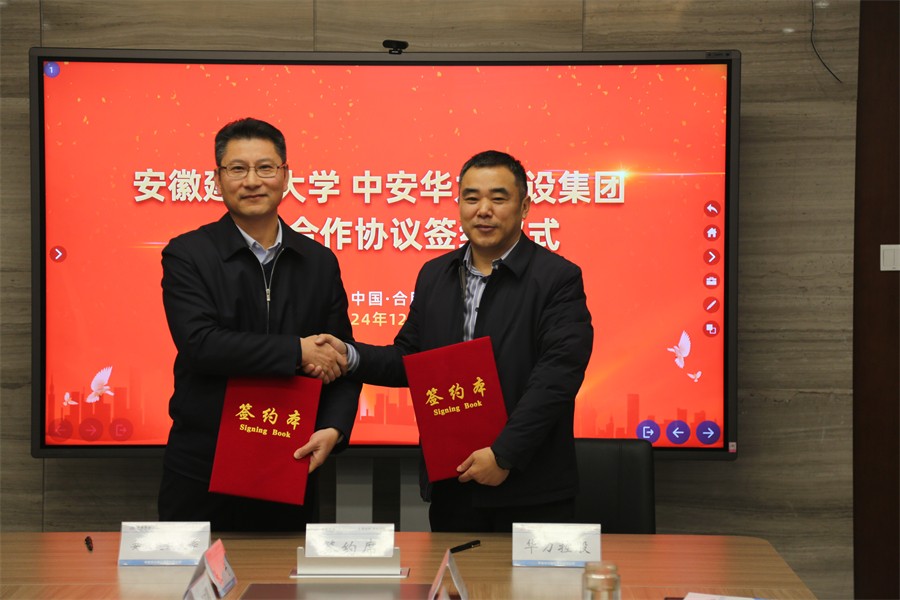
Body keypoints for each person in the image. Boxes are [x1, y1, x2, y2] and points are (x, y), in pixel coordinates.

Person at [314, 150, 593, 532]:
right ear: (459, 204)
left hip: (530, 487)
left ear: (525, 206)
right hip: (454, 482)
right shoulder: (435, 275)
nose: (484, 210)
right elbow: (410, 359)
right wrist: (349, 355)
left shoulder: (556, 278)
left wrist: (504, 454)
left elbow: (557, 377)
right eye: (472, 198)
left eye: (498, 198)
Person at [158, 117, 361, 531]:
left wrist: (335, 428)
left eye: (265, 168)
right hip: (203, 464)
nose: (252, 181)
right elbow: (201, 344)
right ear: (217, 179)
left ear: (285, 176)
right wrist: (296, 351)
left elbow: (340, 357)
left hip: (290, 459)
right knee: (195, 574)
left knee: (283, 572)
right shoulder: (188, 254)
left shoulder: (318, 261)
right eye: (238, 168)